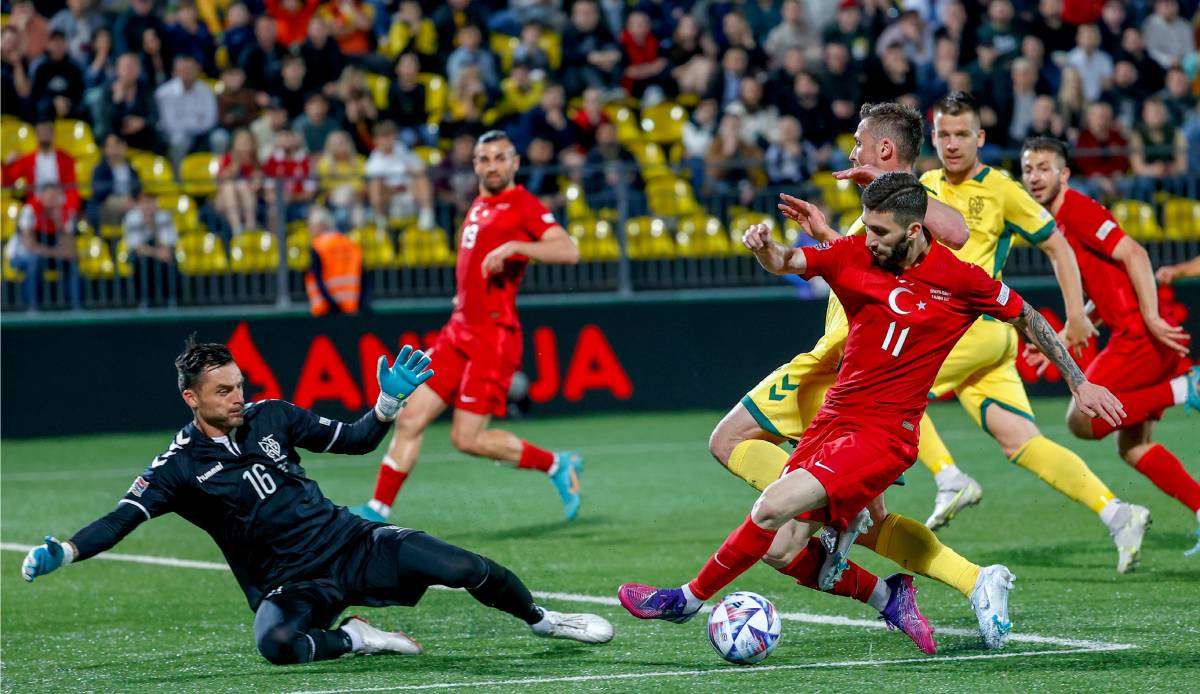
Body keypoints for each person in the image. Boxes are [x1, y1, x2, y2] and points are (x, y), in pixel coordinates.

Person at [617, 173, 1125, 648]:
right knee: (780, 550)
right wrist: (768, 250)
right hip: (833, 421)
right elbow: (791, 262)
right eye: (867, 226)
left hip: (885, 436)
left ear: (915, 230)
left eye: (880, 230)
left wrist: (1080, 384)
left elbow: (1027, 316)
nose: (870, 238)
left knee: (771, 507)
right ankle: (889, 597)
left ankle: (685, 600)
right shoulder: (856, 253)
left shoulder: (960, 280)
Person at [20, 338, 613, 665]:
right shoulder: (177, 469)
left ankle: (542, 620)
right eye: (223, 391)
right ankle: (357, 637)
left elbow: (356, 443)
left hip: (353, 543)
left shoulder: (273, 415)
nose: (237, 398)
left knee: (466, 568)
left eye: (239, 386)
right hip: (291, 583)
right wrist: (67, 550)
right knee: (275, 648)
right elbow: (122, 520)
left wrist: (385, 406)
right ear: (190, 397)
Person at [708, 101, 1022, 649]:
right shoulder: (876, 208)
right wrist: (825, 232)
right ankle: (956, 578)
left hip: (836, 370)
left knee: (734, 444)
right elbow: (855, 270)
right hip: (838, 366)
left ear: (882, 149)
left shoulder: (905, 196)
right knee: (845, 519)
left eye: (858, 142)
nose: (850, 152)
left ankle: (940, 568)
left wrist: (881, 179)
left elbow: (953, 231)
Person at [910, 93, 1150, 574]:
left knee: (888, 390)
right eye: (944, 135)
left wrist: (1075, 315)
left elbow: (1058, 247)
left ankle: (948, 477)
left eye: (962, 135)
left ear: (980, 138)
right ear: (932, 138)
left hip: (972, 325)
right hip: (980, 340)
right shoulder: (925, 184)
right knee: (1021, 442)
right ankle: (1117, 512)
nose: (952, 144)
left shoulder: (1002, 190)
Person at [351, 130, 583, 523]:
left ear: (514, 163)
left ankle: (556, 465)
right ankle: (376, 511)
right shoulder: (479, 204)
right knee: (409, 416)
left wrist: (516, 248)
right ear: (475, 164)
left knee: (467, 439)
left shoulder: (522, 204)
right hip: (458, 331)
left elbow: (569, 250)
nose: (492, 165)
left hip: (492, 336)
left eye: (499, 158)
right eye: (484, 158)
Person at [1020, 137, 1200, 556]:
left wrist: (1152, 316)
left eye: (1044, 167)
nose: (1034, 176)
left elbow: (1135, 253)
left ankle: (1184, 390)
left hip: (1140, 335)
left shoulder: (1077, 209)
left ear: (1064, 174)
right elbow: (1107, 285)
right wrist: (1068, 332)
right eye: (1028, 169)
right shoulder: (1055, 222)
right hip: (1135, 332)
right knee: (1133, 446)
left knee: (1082, 418)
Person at [8, 183, 80, 309]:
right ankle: (32, 307)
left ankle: (75, 306)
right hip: (20, 255)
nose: (53, 200)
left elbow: (70, 249)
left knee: (72, 263)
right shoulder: (30, 210)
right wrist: (57, 253)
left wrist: (59, 223)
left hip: (48, 254)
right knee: (34, 261)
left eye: (56, 196)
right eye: (50, 196)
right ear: (41, 196)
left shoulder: (64, 213)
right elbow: (30, 246)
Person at [2, 118, 81, 219]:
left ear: (53, 133)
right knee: (26, 215)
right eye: (41, 132)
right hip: (36, 202)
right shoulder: (28, 160)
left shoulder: (66, 159)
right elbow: (7, 181)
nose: (43, 135)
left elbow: (71, 187)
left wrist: (71, 206)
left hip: (60, 201)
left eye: (46, 131)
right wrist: (7, 165)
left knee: (70, 216)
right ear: (36, 134)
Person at [364, 121, 434, 231]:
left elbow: (420, 168)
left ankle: (427, 214)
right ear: (376, 140)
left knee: (421, 177)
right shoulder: (374, 160)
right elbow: (371, 186)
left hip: (409, 194)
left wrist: (410, 171)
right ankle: (380, 220)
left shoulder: (403, 151)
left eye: (389, 135)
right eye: (383, 137)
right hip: (389, 199)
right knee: (375, 183)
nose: (387, 140)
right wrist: (395, 188)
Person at [305, 206, 362, 316]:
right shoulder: (349, 243)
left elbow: (317, 278)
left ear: (322, 225)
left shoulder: (318, 245)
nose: (310, 230)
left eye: (312, 226)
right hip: (350, 305)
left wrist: (331, 303)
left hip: (326, 308)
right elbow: (362, 273)